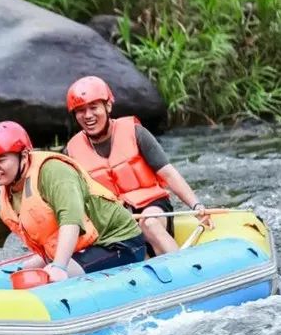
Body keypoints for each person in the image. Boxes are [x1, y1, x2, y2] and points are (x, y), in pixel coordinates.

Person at [0, 121, 147, 282]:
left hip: (119, 243)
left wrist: (59, 267)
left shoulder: (54, 172)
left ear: (24, 156)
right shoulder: (3, 199)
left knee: (41, 280)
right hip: (82, 248)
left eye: (1, 160)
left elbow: (71, 222)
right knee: (22, 273)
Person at [65, 76, 213, 256]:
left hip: (152, 206)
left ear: (108, 106)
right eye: (80, 110)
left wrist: (196, 205)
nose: (88, 115)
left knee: (148, 222)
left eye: (94, 107)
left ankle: (182, 265)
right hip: (114, 219)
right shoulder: (71, 152)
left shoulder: (135, 132)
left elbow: (168, 173)